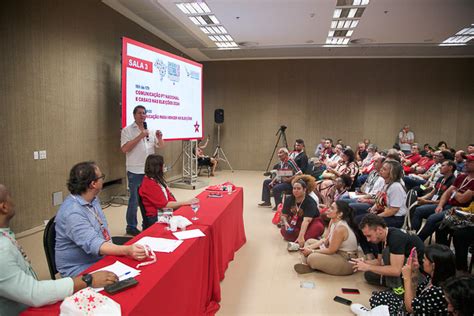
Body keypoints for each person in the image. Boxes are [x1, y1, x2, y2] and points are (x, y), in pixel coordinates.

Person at [0, 184, 118, 315]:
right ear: (4, 207)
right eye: (9, 197)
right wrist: (88, 280)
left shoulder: (5, 238)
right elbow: (33, 293)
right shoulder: (2, 250)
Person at [55, 161, 147, 277]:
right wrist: (126, 250)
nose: (102, 179)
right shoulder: (72, 213)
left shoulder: (92, 199)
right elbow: (94, 244)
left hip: (100, 256)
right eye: (101, 177)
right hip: (80, 268)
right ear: (93, 184)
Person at [367, 244, 455, 315]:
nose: (422, 261)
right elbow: (414, 295)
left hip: (414, 310)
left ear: (433, 265)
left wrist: (407, 278)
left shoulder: (439, 291)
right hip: (415, 306)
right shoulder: (432, 277)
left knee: (383, 304)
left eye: (425, 259)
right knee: (378, 297)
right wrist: (414, 272)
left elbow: (410, 308)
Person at [121, 105, 165, 236]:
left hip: (149, 172)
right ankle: (131, 226)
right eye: (139, 113)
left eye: (144, 113)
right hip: (135, 170)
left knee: (149, 200)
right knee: (134, 200)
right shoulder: (127, 131)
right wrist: (140, 136)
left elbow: (160, 146)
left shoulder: (150, 131)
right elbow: (124, 149)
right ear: (134, 115)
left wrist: (160, 137)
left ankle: (147, 224)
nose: (142, 115)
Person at [351, 214, 424, 289]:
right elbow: (380, 261)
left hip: (417, 272)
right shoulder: (381, 237)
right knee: (369, 275)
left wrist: (368, 267)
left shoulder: (395, 238)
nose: (368, 240)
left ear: (379, 230)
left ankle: (397, 290)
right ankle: (399, 284)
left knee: (386, 252)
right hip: (403, 267)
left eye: (369, 236)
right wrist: (363, 262)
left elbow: (396, 270)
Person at [417, 154, 474, 242]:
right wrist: (440, 205)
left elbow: (462, 199)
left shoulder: (455, 179)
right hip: (446, 205)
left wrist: (453, 191)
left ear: (450, 167)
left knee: (433, 219)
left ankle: (417, 242)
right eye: (466, 161)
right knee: (419, 210)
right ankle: (412, 233)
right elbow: (446, 193)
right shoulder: (461, 177)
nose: (466, 163)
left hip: (460, 211)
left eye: (470, 162)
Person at [293, 201, 359, 276]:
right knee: (309, 241)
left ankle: (308, 263)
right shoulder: (333, 221)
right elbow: (325, 240)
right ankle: (308, 264)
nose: (328, 209)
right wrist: (310, 247)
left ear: (340, 214)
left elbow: (331, 250)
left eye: (332, 208)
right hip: (336, 252)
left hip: (346, 260)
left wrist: (312, 251)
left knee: (312, 257)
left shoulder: (340, 228)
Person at [139, 154, 199, 228]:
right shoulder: (149, 184)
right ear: (157, 168)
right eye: (163, 166)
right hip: (156, 216)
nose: (165, 167)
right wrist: (186, 202)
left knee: (189, 215)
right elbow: (164, 205)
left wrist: (180, 205)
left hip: (165, 211)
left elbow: (169, 196)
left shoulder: (156, 179)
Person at [354, 160, 408, 228]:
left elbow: (394, 210)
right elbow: (381, 201)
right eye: (382, 168)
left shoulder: (396, 187)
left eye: (384, 169)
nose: (381, 170)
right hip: (386, 212)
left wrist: (377, 216)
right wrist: (373, 209)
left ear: (392, 173)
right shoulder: (386, 183)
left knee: (361, 222)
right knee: (358, 218)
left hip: (395, 218)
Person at [410, 160, 456, 232]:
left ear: (450, 167)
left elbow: (444, 200)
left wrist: (425, 200)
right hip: (427, 188)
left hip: (439, 203)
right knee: (414, 192)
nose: (440, 167)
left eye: (443, 165)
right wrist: (420, 198)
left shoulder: (453, 181)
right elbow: (432, 192)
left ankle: (413, 232)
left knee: (418, 207)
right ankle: (410, 228)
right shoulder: (441, 178)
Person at [280, 179, 323, 247]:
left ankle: (303, 238)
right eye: (294, 188)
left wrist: (301, 236)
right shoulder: (289, 199)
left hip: (311, 222)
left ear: (304, 190)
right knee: (284, 231)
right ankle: (306, 238)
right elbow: (283, 215)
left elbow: (306, 221)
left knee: (318, 227)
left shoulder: (310, 202)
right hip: (297, 221)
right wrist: (285, 222)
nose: (296, 191)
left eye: (299, 189)